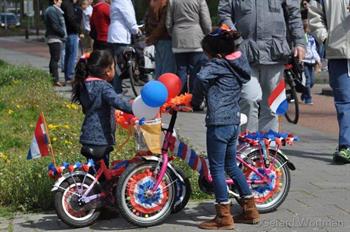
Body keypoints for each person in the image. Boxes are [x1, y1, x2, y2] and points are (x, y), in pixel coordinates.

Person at [192, 27, 259, 230]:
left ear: (216, 53)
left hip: (218, 123)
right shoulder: (238, 64)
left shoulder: (217, 64)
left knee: (217, 168)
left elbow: (201, 78)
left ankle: (223, 216)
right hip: (233, 122)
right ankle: (250, 210)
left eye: (207, 53)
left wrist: (196, 101)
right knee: (231, 165)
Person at [218, 0, 306, 132]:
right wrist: (235, 38)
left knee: (272, 105)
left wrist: (299, 42)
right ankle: (248, 145)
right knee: (248, 99)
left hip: (275, 53)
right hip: (244, 54)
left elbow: (294, 14)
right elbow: (224, 13)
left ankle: (268, 147)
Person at [72, 50, 133, 167]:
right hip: (101, 138)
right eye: (114, 67)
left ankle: (87, 183)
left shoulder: (84, 85)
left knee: (93, 170)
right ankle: (96, 185)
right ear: (108, 71)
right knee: (102, 174)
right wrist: (136, 109)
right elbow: (118, 102)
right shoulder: (104, 87)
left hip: (87, 135)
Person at [308, 0, 350, 164]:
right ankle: (346, 146)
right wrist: (326, 39)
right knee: (344, 103)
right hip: (338, 53)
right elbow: (314, 15)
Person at [166, 0, 212, 92]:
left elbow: (168, 23)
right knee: (195, 71)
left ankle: (180, 99)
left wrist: (174, 34)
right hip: (196, 38)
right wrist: (208, 33)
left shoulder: (172, 1)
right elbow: (206, 21)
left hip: (178, 39)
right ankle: (194, 98)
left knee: (181, 70)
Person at [107, 0, 141, 94]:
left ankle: (114, 89)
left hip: (114, 34)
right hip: (120, 35)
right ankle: (117, 90)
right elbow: (129, 16)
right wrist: (136, 30)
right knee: (120, 65)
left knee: (114, 64)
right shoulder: (124, 1)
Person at [144, 0, 176, 78]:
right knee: (167, 70)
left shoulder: (152, 3)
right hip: (166, 38)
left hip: (157, 40)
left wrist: (150, 37)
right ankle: (165, 89)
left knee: (159, 69)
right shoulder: (165, 4)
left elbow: (146, 21)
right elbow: (164, 24)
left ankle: (158, 88)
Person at [44, 0, 67, 87]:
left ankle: (53, 79)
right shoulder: (51, 10)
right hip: (54, 37)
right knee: (55, 58)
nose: (61, 1)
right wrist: (63, 33)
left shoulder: (53, 10)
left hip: (55, 37)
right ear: (55, 1)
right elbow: (55, 25)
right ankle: (55, 80)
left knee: (54, 58)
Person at [61, 0, 83, 85]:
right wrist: (79, 30)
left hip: (69, 32)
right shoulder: (69, 5)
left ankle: (68, 75)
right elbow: (71, 19)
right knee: (72, 55)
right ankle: (70, 76)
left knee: (68, 55)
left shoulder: (67, 4)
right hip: (72, 32)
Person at [301, 21, 321, 105]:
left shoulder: (311, 37)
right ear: (305, 28)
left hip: (312, 61)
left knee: (312, 81)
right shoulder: (302, 37)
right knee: (308, 80)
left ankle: (304, 94)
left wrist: (318, 59)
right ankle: (308, 99)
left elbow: (313, 49)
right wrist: (301, 59)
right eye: (309, 27)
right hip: (305, 61)